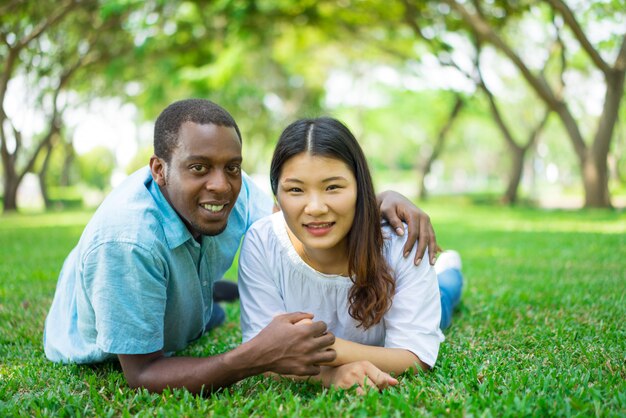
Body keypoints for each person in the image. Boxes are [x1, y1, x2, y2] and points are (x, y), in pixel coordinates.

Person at [43, 99, 440, 395]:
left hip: (189, 312)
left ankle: (214, 299)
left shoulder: (238, 191)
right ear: (159, 169)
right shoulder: (127, 242)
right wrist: (257, 357)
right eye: (199, 167)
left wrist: (380, 199)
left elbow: (305, 214)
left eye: (232, 167)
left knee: (210, 313)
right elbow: (142, 374)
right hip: (112, 339)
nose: (221, 185)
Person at [238, 117, 464, 393]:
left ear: (360, 188)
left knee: (445, 297)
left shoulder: (399, 241)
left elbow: (415, 356)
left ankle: (449, 269)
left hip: (411, 305)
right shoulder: (262, 241)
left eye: (333, 187)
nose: (316, 207)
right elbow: (259, 355)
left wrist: (314, 345)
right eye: (295, 189)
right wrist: (329, 376)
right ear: (276, 197)